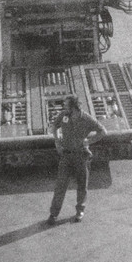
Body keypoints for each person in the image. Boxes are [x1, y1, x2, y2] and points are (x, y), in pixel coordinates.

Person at [46, 95, 104, 224]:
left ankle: (80, 211)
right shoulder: (64, 115)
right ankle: (53, 214)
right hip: (66, 156)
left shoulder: (86, 119)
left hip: (80, 156)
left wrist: (88, 141)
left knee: (82, 185)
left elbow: (102, 131)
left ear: (74, 107)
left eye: (66, 105)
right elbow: (54, 127)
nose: (64, 107)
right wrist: (57, 141)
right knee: (60, 186)